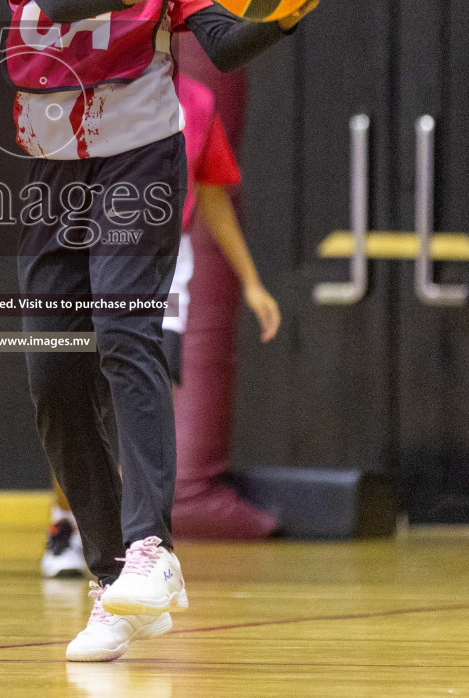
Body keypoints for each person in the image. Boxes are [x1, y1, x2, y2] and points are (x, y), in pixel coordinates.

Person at [4, 0, 328, 662]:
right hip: (50, 166)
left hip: (138, 156)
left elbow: (219, 40)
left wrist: (285, 13)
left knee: (124, 334)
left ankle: (151, 549)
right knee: (54, 376)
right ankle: (112, 580)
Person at [41, 74, 281, 576]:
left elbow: (212, 193)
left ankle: (136, 543)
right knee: (80, 400)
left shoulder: (198, 102)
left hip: (166, 275)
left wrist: (252, 281)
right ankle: (66, 520)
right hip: (90, 262)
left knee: (139, 403)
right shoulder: (91, 87)